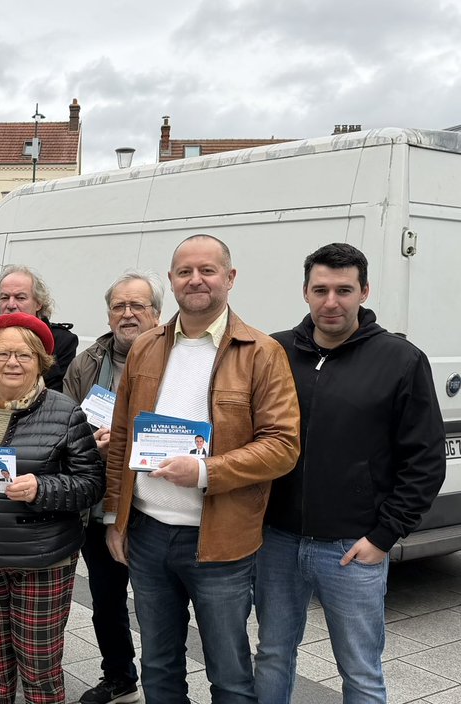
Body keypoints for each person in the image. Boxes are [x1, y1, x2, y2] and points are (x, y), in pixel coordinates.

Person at [104, 234, 300, 703]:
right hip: (148, 535)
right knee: (158, 665)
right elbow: (122, 439)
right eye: (185, 271)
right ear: (171, 281)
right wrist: (115, 517)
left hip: (221, 541)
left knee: (229, 672)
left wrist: (206, 471)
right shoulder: (146, 347)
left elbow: (283, 445)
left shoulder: (261, 352)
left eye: (208, 270)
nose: (196, 280)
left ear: (229, 279)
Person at [254, 243, 446, 704]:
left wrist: (384, 535)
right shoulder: (274, 350)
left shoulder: (400, 359)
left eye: (344, 290)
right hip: (276, 540)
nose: (331, 301)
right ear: (305, 292)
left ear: (364, 291)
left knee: (360, 669)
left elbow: (425, 459)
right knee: (273, 654)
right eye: (320, 290)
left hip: (352, 547)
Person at [0, 313, 104, 704]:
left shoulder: (65, 412)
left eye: (24, 355)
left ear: (41, 361)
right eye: (3, 353)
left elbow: (91, 484)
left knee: (40, 668)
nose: (13, 362)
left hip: (41, 561)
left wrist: (43, 488)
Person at [61, 270, 164, 704]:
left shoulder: (178, 358)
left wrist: (125, 445)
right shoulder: (86, 362)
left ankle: (165, 685)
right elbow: (62, 426)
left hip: (158, 504)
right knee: (106, 598)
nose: (127, 314)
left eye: (137, 305)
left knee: (160, 603)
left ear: (156, 313)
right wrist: (88, 443)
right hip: (101, 502)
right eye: (119, 306)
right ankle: (120, 676)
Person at [0, 265, 80, 386]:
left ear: (38, 304)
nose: (10, 305)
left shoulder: (62, 341)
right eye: (4, 298)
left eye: (20, 298)